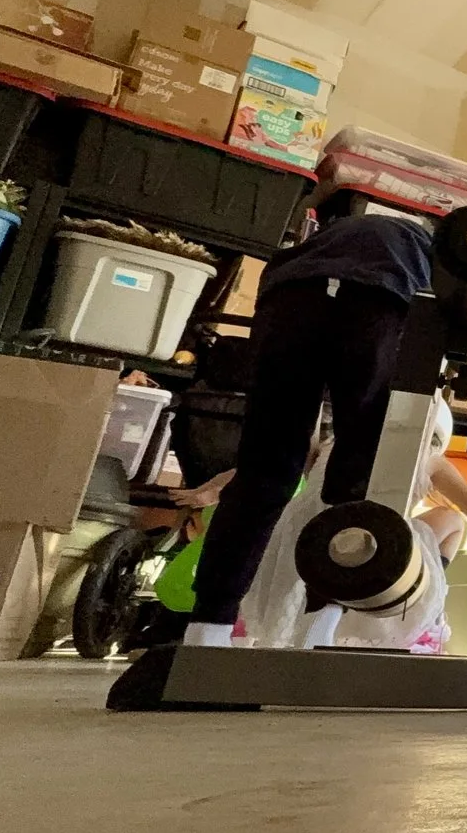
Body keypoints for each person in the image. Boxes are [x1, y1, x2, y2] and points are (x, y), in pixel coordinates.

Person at [181, 205, 437, 646]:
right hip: (379, 299)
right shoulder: (434, 249)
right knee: (357, 479)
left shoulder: (334, 233)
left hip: (288, 299)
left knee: (264, 471)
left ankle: (207, 630)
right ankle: (317, 628)